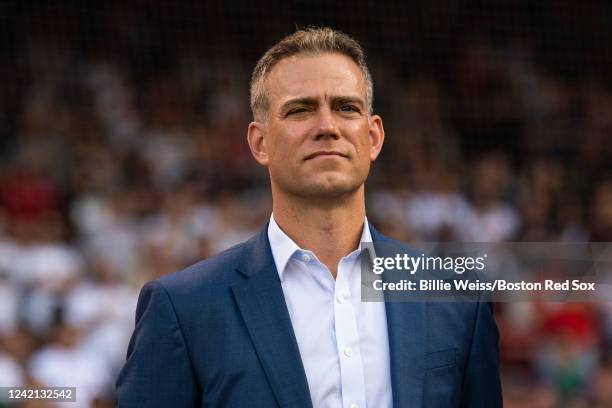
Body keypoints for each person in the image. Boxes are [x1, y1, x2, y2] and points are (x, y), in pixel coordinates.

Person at [116, 27, 502, 407]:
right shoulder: (183, 309)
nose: (327, 127)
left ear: (374, 137)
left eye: (346, 108)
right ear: (259, 142)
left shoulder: (457, 300)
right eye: (300, 110)